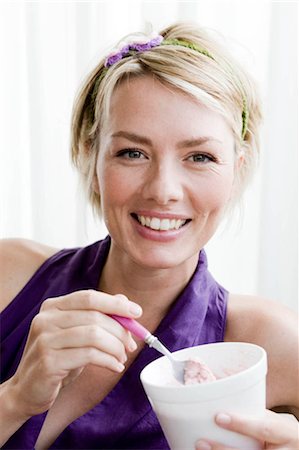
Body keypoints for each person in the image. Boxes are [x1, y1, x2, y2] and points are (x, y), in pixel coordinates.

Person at [0, 22, 298, 450]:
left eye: (200, 156)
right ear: (92, 157)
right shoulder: (10, 278)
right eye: (132, 153)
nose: (163, 189)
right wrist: (14, 399)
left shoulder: (271, 343)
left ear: (236, 169)